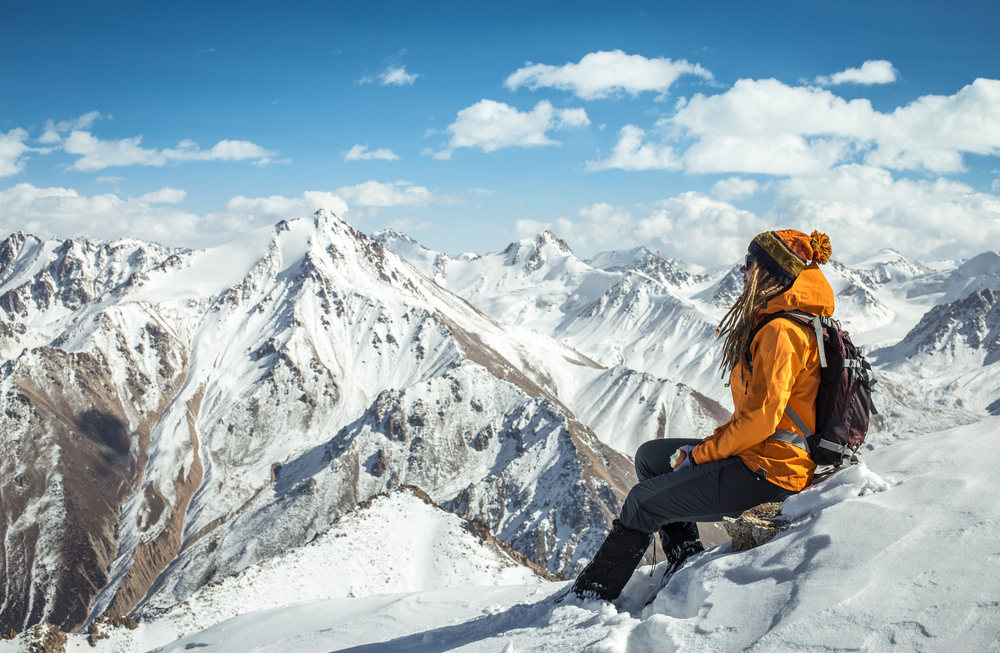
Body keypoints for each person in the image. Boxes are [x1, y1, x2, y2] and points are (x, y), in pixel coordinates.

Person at [566, 229, 835, 602]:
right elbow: (759, 417)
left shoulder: (781, 331)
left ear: (771, 272)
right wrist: (709, 448)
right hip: (759, 455)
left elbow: (760, 420)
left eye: (750, 263)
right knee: (652, 457)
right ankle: (682, 561)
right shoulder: (778, 322)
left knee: (644, 501)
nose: (742, 271)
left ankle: (590, 597)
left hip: (772, 473)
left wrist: (702, 454)